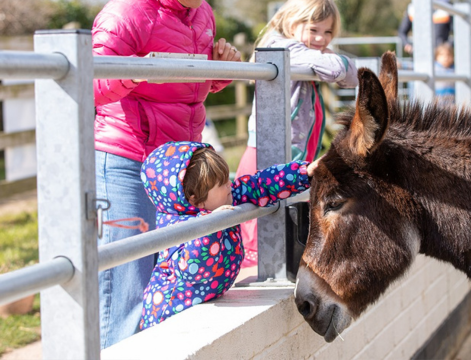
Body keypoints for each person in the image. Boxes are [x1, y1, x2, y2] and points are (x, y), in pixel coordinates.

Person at [92, 0, 242, 348]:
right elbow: (89, 82)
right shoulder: (126, 13)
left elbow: (189, 88)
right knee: (127, 284)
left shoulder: (202, 12)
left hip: (176, 168)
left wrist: (222, 70)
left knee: (171, 276)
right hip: (127, 158)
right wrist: (133, 70)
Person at [235, 0, 358, 267]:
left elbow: (352, 76)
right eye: (314, 29)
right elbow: (339, 70)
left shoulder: (304, 51)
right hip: (268, 155)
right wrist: (332, 61)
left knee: (286, 220)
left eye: (327, 33)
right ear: (293, 23)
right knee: (259, 232)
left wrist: (332, 62)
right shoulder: (280, 47)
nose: (321, 38)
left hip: (294, 154)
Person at [138, 141, 310, 329]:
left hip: (202, 307)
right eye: (221, 183)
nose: (229, 184)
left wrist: (304, 173)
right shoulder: (179, 228)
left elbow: (260, 184)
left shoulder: (223, 198)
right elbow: (196, 270)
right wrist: (212, 224)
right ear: (194, 197)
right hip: (169, 314)